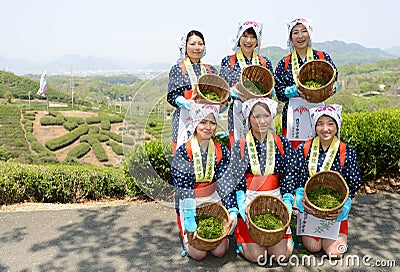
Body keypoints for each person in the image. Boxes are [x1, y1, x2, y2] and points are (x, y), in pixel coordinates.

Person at [219, 97, 295, 263]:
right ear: (248, 118)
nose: (262, 121)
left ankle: (284, 239)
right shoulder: (240, 145)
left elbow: (289, 174)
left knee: (282, 255)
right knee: (257, 257)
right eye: (256, 116)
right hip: (249, 202)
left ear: (272, 117)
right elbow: (233, 180)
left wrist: (288, 200)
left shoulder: (282, 143)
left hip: (276, 202)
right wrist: (240, 204)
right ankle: (243, 241)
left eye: (266, 116)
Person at [286, 104, 362, 258]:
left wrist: (345, 205)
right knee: (313, 247)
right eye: (320, 124)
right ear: (315, 127)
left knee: (335, 252)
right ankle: (307, 233)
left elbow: (354, 182)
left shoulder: (346, 152)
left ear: (337, 126)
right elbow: (292, 175)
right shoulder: (304, 148)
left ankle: (338, 233)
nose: (325, 129)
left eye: (330, 123)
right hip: (310, 209)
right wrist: (300, 199)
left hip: (335, 211)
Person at [171, 103, 237, 260]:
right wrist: (189, 214)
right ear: (194, 123)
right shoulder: (184, 151)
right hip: (190, 201)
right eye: (203, 122)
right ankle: (187, 237)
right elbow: (183, 186)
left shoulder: (221, 151)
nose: (208, 127)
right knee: (198, 254)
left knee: (219, 251)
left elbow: (226, 182)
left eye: (212, 123)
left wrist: (231, 209)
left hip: (213, 200)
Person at [274, 18, 339, 150]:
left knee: (319, 149)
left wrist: (334, 88)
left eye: (304, 31)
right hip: (293, 116)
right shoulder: (284, 63)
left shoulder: (322, 57)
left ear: (309, 34)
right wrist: (293, 91)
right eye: (295, 32)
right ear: (290, 38)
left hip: (319, 112)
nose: (300, 36)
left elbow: (334, 77)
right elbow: (278, 92)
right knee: (293, 152)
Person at [219, 21, 274, 149]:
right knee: (239, 148)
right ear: (239, 38)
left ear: (257, 40)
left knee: (261, 148)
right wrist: (230, 91)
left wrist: (271, 92)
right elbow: (221, 91)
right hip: (237, 111)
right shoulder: (228, 61)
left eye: (253, 37)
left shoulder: (264, 62)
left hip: (260, 113)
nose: (249, 40)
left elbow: (271, 89)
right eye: (245, 36)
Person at [167, 30, 218, 155]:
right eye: (192, 44)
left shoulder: (210, 70)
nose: (197, 47)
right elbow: (172, 95)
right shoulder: (178, 69)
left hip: (206, 121)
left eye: (200, 44)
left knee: (205, 154)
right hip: (184, 119)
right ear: (185, 47)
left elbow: (218, 94)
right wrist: (185, 103)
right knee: (184, 154)